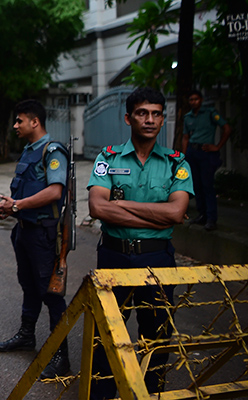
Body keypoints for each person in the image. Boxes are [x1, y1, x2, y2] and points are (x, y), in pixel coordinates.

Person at [87, 88, 193, 399]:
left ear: (163, 119)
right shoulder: (108, 157)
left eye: (156, 113)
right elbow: (97, 208)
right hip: (114, 256)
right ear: (128, 117)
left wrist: (121, 207)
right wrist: (157, 218)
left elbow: (177, 212)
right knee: (107, 333)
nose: (149, 119)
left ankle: (151, 394)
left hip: (157, 259)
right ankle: (103, 394)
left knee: (157, 335)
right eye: (142, 113)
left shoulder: (176, 162)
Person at [0, 99, 70, 379]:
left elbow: (54, 192)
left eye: (19, 120)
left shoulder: (53, 150)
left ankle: (61, 355)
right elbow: (26, 196)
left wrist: (17, 205)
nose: (15, 126)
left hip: (43, 235)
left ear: (34, 122)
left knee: (50, 292)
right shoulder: (29, 151)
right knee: (29, 285)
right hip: (24, 230)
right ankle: (27, 336)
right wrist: (10, 208)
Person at [182, 89, 231, 231]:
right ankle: (202, 214)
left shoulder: (210, 113)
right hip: (192, 151)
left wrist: (218, 146)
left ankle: (211, 218)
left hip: (206, 152)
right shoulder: (188, 117)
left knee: (207, 185)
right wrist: (183, 156)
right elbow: (185, 137)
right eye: (191, 99)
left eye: (196, 99)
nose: (193, 102)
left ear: (201, 100)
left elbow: (227, 128)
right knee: (196, 185)